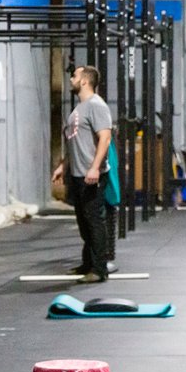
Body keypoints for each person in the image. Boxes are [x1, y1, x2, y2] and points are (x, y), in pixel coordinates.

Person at [51, 65, 113, 284]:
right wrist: (63, 166)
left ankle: (99, 269)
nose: (71, 79)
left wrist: (95, 167)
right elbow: (74, 141)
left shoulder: (96, 105)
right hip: (78, 174)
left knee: (94, 221)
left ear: (85, 81)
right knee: (84, 222)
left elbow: (105, 138)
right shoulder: (80, 108)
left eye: (75, 76)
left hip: (91, 174)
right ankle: (88, 264)